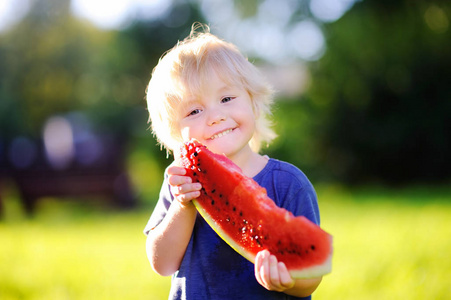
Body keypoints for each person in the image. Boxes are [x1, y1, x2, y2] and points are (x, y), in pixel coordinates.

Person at [143, 23, 323, 299]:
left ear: (253, 102)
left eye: (226, 98)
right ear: (175, 132)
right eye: (194, 110)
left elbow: (312, 274)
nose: (215, 116)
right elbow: (163, 264)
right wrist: (183, 205)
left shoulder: (289, 183)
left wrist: (288, 282)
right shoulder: (179, 184)